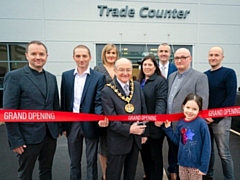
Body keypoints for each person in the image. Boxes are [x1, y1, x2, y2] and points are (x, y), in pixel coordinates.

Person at [3, 40, 61, 180]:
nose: (38, 57)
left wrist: (58, 128)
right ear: (26, 55)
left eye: (41, 54)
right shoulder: (15, 77)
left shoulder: (51, 78)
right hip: (27, 137)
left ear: (47, 56)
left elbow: (55, 106)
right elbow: (9, 111)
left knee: (46, 170)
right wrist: (15, 140)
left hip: (49, 135)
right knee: (25, 173)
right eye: (33, 53)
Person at [61, 45, 107, 180]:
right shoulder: (66, 76)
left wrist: (100, 117)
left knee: (91, 161)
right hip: (72, 123)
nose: (81, 59)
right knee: (74, 162)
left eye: (84, 56)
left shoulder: (99, 77)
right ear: (73, 57)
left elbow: (99, 101)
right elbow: (64, 100)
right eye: (78, 56)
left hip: (91, 123)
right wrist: (64, 125)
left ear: (90, 57)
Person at [101, 58, 148, 180]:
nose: (125, 73)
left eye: (128, 70)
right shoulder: (107, 91)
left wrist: (144, 132)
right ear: (115, 70)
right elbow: (111, 119)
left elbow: (143, 109)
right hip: (117, 140)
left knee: (130, 174)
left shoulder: (136, 86)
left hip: (135, 139)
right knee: (113, 174)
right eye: (121, 70)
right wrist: (129, 129)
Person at [166, 48, 209, 180]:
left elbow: (203, 101)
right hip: (173, 124)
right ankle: (175, 173)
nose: (179, 60)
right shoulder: (172, 76)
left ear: (190, 58)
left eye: (183, 57)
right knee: (174, 151)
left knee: (192, 151)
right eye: (177, 58)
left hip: (190, 124)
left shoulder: (200, 77)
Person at [203, 46, 237, 180]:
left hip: (221, 120)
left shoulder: (229, 73)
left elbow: (230, 98)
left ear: (222, 57)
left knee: (224, 153)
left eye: (216, 55)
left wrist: (215, 117)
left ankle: (229, 178)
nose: (213, 57)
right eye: (211, 55)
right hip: (206, 120)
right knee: (208, 151)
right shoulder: (205, 75)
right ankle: (209, 176)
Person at [159, 93, 211, 180]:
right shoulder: (181, 123)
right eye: (188, 107)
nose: (190, 111)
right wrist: (168, 129)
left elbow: (207, 146)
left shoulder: (201, 124)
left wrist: (203, 167)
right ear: (183, 106)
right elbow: (178, 141)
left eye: (194, 109)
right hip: (182, 163)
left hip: (196, 166)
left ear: (199, 110)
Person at [138, 55, 168, 180]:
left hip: (154, 127)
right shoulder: (139, 81)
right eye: (145, 65)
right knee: (145, 156)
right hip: (142, 126)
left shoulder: (160, 81)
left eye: (150, 64)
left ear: (155, 67)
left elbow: (161, 100)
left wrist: (158, 118)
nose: (147, 67)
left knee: (155, 157)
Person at [94, 44, 119, 180]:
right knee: (103, 146)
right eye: (109, 53)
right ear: (104, 54)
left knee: (116, 144)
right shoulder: (98, 69)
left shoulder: (119, 68)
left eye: (113, 53)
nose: (111, 55)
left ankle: (114, 173)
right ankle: (105, 175)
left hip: (119, 111)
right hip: (103, 112)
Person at [157, 42, 178, 179]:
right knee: (155, 145)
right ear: (158, 53)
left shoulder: (176, 68)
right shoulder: (152, 67)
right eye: (161, 51)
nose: (163, 53)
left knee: (173, 145)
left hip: (172, 115)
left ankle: (172, 170)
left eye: (166, 51)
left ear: (170, 54)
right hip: (157, 114)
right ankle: (153, 170)